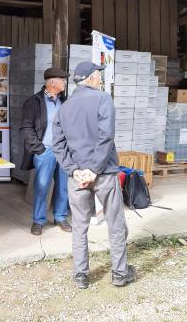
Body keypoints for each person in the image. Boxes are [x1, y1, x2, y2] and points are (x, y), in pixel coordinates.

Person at [52, 61, 136, 289]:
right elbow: (105, 137)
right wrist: (94, 169)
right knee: (115, 222)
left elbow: (58, 145)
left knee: (79, 225)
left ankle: (80, 275)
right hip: (105, 173)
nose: (100, 77)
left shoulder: (64, 108)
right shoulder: (103, 99)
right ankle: (120, 274)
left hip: (78, 177)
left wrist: (75, 170)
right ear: (90, 79)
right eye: (98, 74)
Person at [19, 67, 71, 236]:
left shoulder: (65, 102)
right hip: (45, 151)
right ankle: (38, 220)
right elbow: (26, 128)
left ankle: (60, 217)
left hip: (63, 151)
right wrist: (39, 149)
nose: (65, 82)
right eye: (62, 79)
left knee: (63, 186)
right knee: (41, 187)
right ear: (52, 82)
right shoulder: (33, 102)